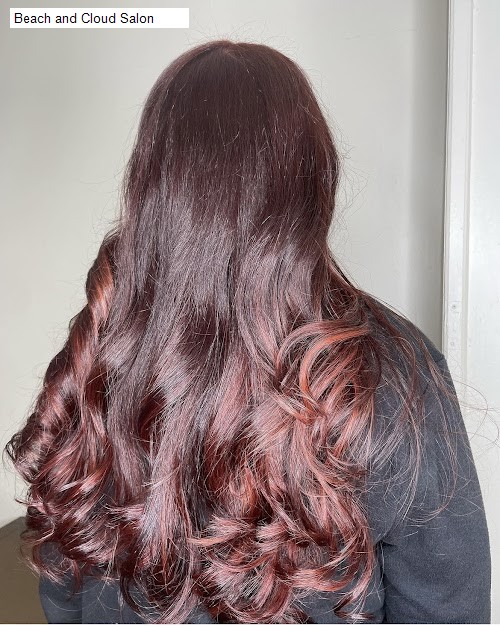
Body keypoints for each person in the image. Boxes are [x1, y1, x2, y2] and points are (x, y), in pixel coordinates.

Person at [5, 39, 490, 624]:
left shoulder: (103, 350)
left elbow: (65, 588)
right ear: (315, 182)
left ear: (152, 184)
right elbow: (448, 606)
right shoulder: (394, 369)